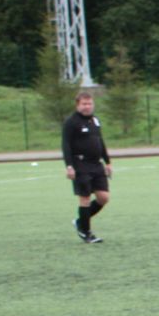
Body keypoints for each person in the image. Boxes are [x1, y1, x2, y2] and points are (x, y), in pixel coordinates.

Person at [62, 91, 112, 243]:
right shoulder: (71, 122)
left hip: (96, 164)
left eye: (89, 103)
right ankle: (86, 233)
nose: (87, 107)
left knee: (104, 197)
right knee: (84, 198)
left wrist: (108, 161)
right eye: (84, 104)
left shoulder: (95, 120)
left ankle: (80, 222)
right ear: (78, 105)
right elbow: (66, 145)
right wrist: (69, 166)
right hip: (80, 164)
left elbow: (100, 141)